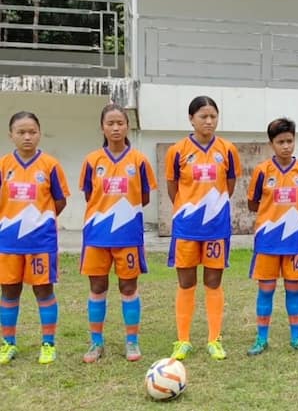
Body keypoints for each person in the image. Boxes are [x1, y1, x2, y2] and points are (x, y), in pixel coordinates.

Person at [79, 104, 157, 363]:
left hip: (128, 236)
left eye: (120, 123)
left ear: (128, 126)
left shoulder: (139, 161)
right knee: (97, 287)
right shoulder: (92, 161)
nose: (115, 128)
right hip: (97, 236)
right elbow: (90, 196)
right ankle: (95, 342)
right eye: (110, 123)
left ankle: (132, 341)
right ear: (102, 127)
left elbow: (143, 197)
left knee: (128, 287)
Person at [165, 96, 241, 361]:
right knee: (186, 282)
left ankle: (214, 339)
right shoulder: (177, 151)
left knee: (213, 281)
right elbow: (173, 188)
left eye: (213, 116)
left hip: (216, 227)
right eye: (203, 117)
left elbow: (229, 185)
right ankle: (183, 340)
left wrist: (213, 208)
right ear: (191, 119)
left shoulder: (228, 149)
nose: (209, 121)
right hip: (186, 228)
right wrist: (189, 209)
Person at [0, 111, 70, 365]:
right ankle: (8, 344)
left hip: (41, 242)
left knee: (43, 291)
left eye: (32, 132)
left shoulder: (50, 165)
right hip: (8, 241)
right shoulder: (3, 165)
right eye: (21, 132)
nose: (27, 137)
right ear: (11, 135)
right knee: (9, 291)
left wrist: (42, 220)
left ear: (39, 133)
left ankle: (48, 344)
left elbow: (59, 200)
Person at [247, 117, 298, 355]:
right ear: (271, 144)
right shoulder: (262, 171)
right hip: (268, 240)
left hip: (295, 240)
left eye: (289, 141)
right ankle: (261, 338)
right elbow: (253, 203)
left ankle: (297, 337)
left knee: (294, 289)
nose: (286, 146)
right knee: (266, 289)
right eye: (280, 142)